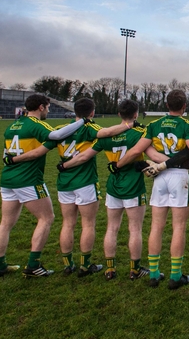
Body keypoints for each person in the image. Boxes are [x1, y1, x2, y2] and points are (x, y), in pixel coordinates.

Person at [117, 90, 189, 289]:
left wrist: (118, 165)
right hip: (179, 176)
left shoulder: (153, 125)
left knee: (156, 226)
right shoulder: (187, 124)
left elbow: (138, 150)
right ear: (185, 106)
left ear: (166, 105)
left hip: (159, 177)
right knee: (178, 227)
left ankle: (153, 274)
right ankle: (175, 275)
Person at [0, 94, 91, 278]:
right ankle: (33, 265)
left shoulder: (12, 126)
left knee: (5, 223)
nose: (48, 110)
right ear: (40, 107)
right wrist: (82, 121)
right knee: (46, 218)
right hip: (28, 179)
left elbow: (4, 155)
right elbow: (55, 135)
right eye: (47, 107)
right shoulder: (36, 124)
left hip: (7, 179)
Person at [58, 99, 155, 281]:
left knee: (111, 228)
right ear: (136, 114)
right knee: (135, 229)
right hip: (133, 185)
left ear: (119, 114)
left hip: (113, 186)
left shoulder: (105, 136)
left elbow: (84, 156)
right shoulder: (141, 133)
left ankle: (110, 269)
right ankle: (135, 270)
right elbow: (151, 154)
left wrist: (65, 165)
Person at [36, 98, 132, 278]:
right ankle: (85, 265)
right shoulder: (88, 127)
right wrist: (128, 125)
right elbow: (107, 132)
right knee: (88, 224)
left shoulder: (61, 130)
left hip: (64, 182)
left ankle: (67, 264)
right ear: (92, 113)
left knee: (68, 223)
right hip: (85, 182)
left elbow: (43, 148)